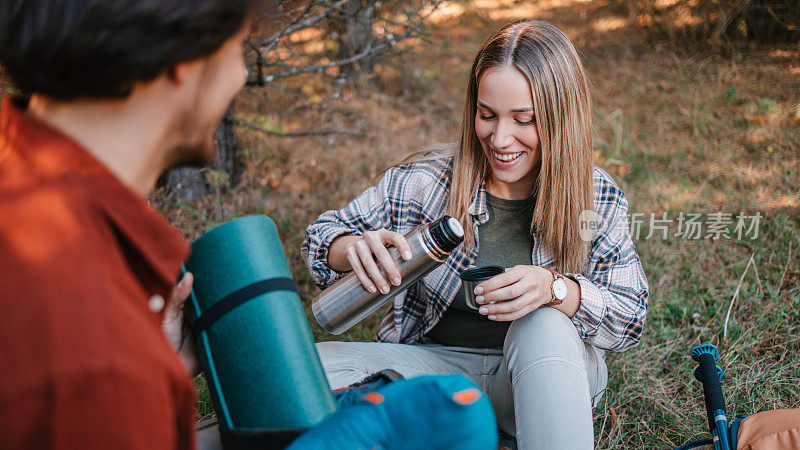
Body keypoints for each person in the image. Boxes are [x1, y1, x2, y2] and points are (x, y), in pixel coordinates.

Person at [302, 19, 650, 449]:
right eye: (487, 115)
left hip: (544, 375)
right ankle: (445, 419)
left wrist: (556, 290)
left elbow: (630, 315)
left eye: (524, 120)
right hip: (432, 370)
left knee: (544, 323)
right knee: (302, 371)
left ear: (562, 120)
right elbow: (321, 236)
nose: (500, 138)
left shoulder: (595, 197)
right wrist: (351, 247)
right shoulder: (426, 182)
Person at [0, 1, 260, 447]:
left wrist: (149, 373)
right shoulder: (101, 366)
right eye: (240, 48)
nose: (241, 76)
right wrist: (127, 384)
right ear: (185, 55)